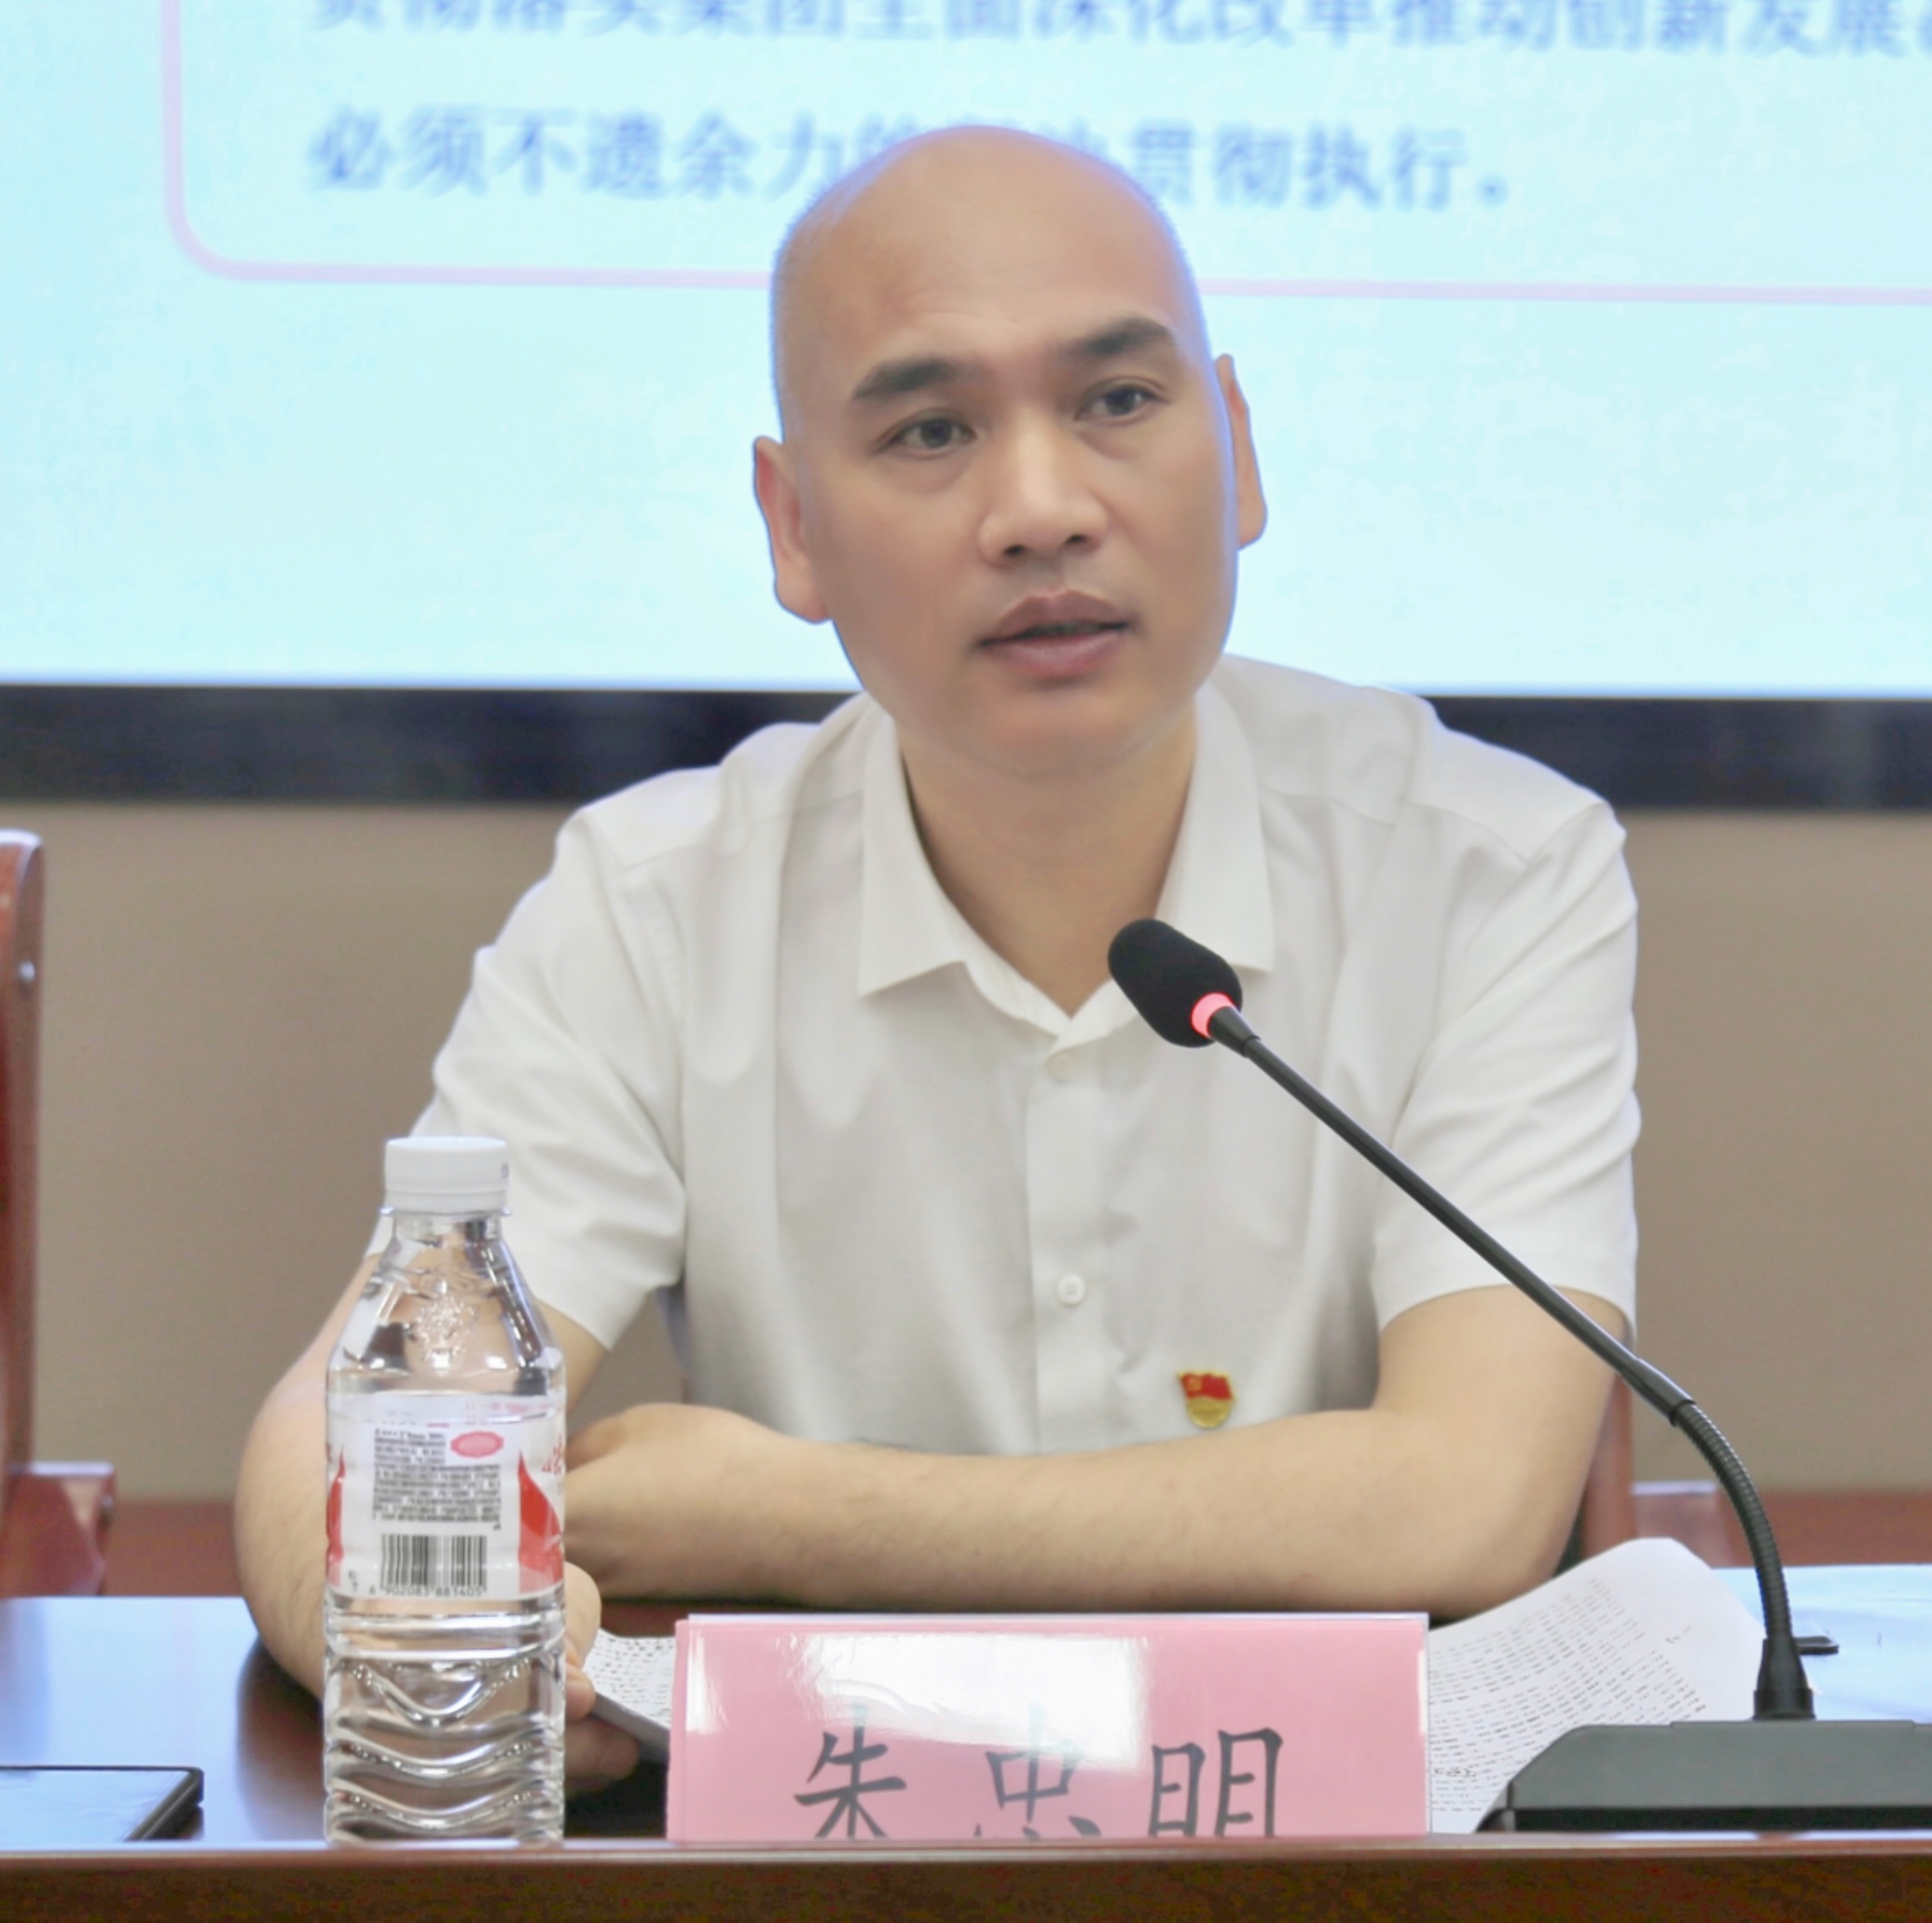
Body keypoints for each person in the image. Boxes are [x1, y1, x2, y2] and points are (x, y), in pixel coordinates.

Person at [236, 127, 1642, 1787]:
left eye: (1118, 401)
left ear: (1239, 453)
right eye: (930, 430)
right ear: (794, 528)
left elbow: (1471, 1503)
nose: (1042, 511)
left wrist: (795, 1516)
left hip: (1340, 1857)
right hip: (836, 1856)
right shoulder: (658, 902)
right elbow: (343, 1456)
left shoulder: (1489, 868)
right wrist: (462, 1674)